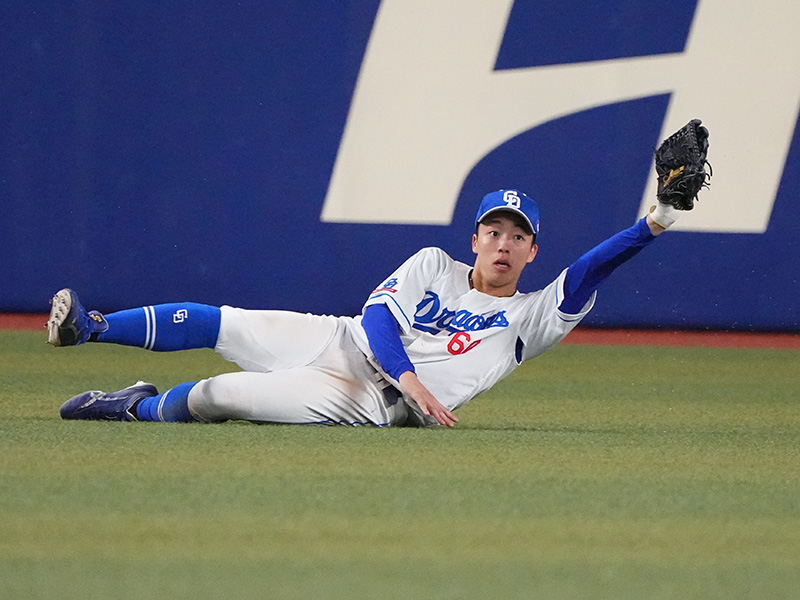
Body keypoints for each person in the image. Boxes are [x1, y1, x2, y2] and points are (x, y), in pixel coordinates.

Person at [48, 188, 680, 428]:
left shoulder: (531, 320)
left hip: (370, 403)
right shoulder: (435, 263)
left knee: (221, 396)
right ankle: (92, 327)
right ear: (474, 238)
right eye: (494, 231)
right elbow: (378, 321)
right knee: (225, 321)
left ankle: (137, 406)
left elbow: (592, 268)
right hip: (344, 342)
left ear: (534, 251)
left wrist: (655, 222)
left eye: (518, 236)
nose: (503, 244)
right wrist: (409, 373)